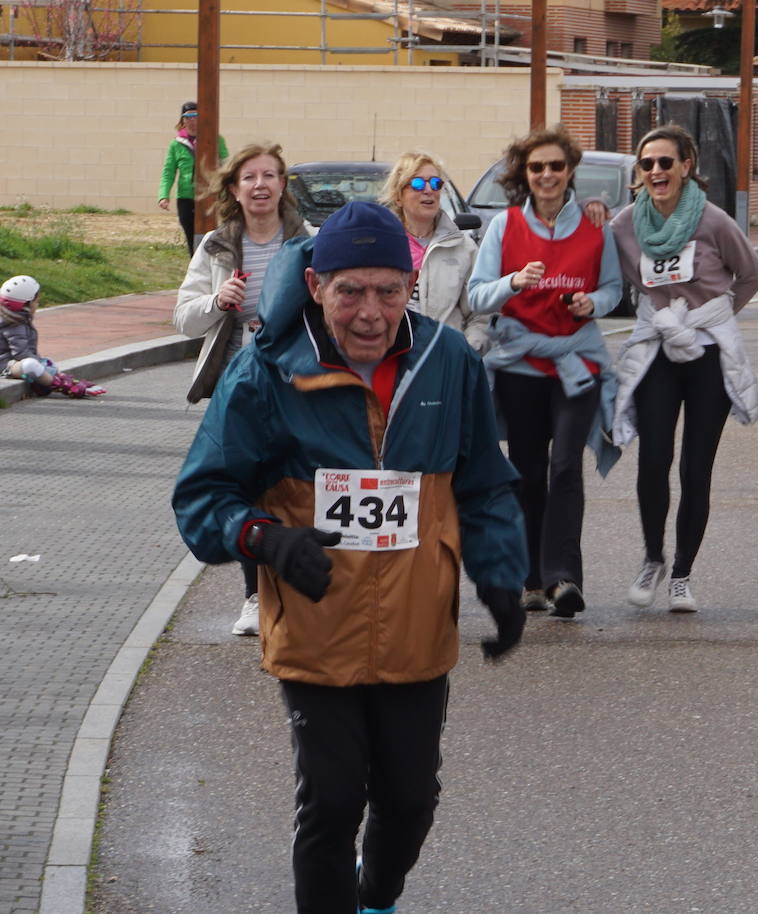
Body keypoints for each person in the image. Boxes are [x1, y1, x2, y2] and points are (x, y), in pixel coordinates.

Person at [172, 200, 527, 914]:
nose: (370, 313)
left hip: (416, 626)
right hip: (316, 625)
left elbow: (485, 486)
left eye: (388, 291)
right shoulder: (266, 373)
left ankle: (376, 895)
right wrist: (264, 538)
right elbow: (202, 495)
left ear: (412, 283)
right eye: (350, 292)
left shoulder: (447, 361)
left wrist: (501, 577)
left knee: (409, 800)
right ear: (315, 287)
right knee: (330, 805)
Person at [467, 124, 623, 619]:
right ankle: (529, 578)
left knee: (564, 467)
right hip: (520, 366)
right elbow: (476, 295)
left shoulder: (596, 226)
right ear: (524, 174)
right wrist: (513, 281)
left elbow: (615, 290)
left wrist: (590, 302)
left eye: (557, 166)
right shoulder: (504, 226)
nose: (547, 175)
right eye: (537, 167)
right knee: (528, 472)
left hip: (576, 363)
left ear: (570, 171)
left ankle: (563, 579)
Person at [609, 124, 758, 613]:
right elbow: (617, 277)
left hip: (707, 353)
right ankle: (652, 557)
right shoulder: (624, 225)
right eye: (648, 163)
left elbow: (753, 274)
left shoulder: (715, 221)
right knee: (653, 457)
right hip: (658, 346)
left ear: (686, 166)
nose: (657, 171)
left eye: (665, 162)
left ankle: (681, 574)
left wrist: (711, 317)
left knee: (696, 468)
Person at [173, 141, 314, 638]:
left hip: (297, 384)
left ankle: (301, 587)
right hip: (237, 388)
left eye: (270, 175)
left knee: (295, 488)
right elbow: (183, 318)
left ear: (282, 185)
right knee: (248, 490)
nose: (260, 185)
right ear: (234, 188)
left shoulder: (308, 242)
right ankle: (255, 598)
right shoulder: (215, 244)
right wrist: (218, 300)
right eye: (249, 177)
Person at [379, 151, 486, 352]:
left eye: (435, 183)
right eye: (418, 184)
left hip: (446, 362)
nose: (429, 190)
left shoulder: (465, 249)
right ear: (399, 197)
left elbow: (480, 316)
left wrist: (467, 352)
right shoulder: (382, 247)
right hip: (392, 362)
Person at [1, 275, 106, 398]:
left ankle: (63, 381)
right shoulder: (14, 324)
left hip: (8, 364)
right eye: (36, 301)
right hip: (5, 366)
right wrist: (41, 365)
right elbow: (21, 354)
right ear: (27, 304)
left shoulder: (13, 319)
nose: (37, 304)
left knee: (48, 364)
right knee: (31, 365)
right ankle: (64, 386)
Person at [157, 101, 229, 255]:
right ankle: (195, 270)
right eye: (188, 116)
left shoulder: (215, 139)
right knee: (191, 236)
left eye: (195, 116)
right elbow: (168, 171)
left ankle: (211, 268)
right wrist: (164, 195)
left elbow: (226, 166)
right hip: (186, 197)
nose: (192, 120)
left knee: (210, 235)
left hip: (210, 195)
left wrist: (227, 191)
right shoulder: (176, 144)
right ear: (182, 120)